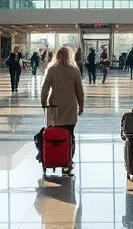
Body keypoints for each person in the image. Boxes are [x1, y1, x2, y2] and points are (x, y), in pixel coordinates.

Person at [40, 46, 85, 175]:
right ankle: (68, 161)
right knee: (70, 135)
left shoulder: (52, 70)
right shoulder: (75, 70)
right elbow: (79, 90)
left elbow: (45, 88)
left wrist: (43, 102)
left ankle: (55, 157)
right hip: (71, 107)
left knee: (55, 134)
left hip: (55, 108)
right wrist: (81, 105)